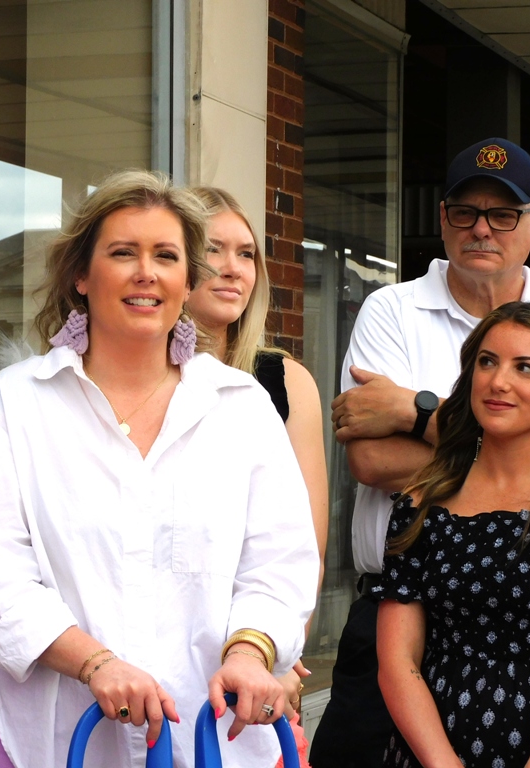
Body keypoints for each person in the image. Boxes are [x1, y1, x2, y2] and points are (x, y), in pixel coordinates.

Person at [0, 170, 320, 768]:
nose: (146, 272)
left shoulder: (241, 406)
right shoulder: (15, 402)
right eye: (123, 252)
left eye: (166, 256)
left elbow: (279, 563)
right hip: (43, 733)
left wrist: (250, 653)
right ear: (81, 275)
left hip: (209, 736)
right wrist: (95, 663)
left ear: (187, 281)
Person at [311, 137, 530, 768]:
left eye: (502, 214)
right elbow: (370, 463)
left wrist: (413, 411)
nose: (481, 229)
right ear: (443, 219)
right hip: (396, 606)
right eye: (465, 212)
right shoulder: (391, 309)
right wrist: (510, 450)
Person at [374, 301, 530, 766]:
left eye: (525, 367)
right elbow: (397, 662)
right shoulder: (420, 505)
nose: (498, 381)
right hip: (428, 750)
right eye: (487, 361)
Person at [185, 186, 328, 717]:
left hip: (257, 655)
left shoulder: (284, 379)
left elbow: (303, 546)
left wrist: (279, 653)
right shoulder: (135, 380)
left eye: (246, 254)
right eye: (213, 249)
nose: (233, 268)